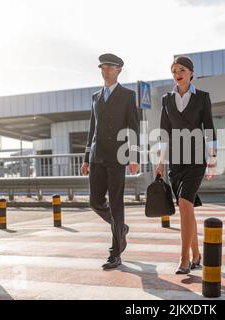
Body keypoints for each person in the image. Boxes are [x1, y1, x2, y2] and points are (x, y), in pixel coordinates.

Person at [155, 56, 217, 274]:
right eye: (173, 70)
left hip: (196, 160)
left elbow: (209, 128)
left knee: (184, 202)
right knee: (185, 208)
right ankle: (197, 254)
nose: (177, 73)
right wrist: (160, 162)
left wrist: (213, 158)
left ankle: (184, 259)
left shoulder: (202, 97)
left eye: (181, 69)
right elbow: (164, 132)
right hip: (176, 161)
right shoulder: (166, 99)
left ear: (191, 72)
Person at [81, 53, 140, 270]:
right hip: (97, 156)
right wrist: (86, 158)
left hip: (117, 156)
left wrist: (133, 156)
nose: (105, 71)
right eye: (102, 68)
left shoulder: (127, 95)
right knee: (95, 201)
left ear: (119, 71)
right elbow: (92, 129)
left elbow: (133, 127)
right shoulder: (96, 96)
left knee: (116, 204)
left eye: (110, 68)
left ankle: (115, 252)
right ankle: (121, 228)